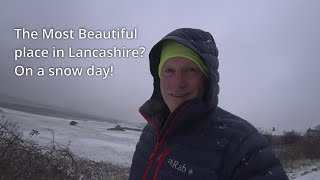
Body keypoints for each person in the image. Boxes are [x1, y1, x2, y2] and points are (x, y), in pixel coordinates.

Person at [129, 28, 288, 180]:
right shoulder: (151, 131)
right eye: (169, 71)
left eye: (190, 70)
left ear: (206, 78)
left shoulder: (242, 146)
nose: (178, 83)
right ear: (159, 77)